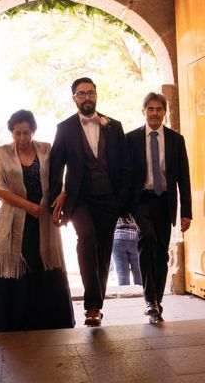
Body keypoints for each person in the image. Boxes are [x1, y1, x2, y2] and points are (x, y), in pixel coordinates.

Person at [0, 110, 74, 333]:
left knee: (43, 263)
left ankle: (48, 320)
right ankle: (12, 321)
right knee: (16, 266)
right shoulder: (2, 152)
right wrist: (28, 206)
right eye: (17, 133)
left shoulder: (46, 149)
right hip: (15, 220)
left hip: (43, 220)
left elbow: (61, 175)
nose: (22, 138)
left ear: (33, 131)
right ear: (11, 132)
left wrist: (63, 194)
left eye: (26, 133)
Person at [49, 77, 131, 327]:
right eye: (81, 93)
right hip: (80, 198)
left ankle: (97, 302)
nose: (87, 97)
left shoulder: (113, 126)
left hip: (109, 198)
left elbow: (125, 166)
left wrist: (123, 203)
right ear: (74, 98)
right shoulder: (64, 128)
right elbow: (55, 167)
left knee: (104, 250)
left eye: (91, 93)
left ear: (96, 95)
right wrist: (56, 200)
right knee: (86, 238)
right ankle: (92, 305)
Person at [126, 92, 192, 323]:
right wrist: (123, 209)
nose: (155, 113)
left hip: (165, 201)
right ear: (143, 111)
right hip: (141, 200)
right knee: (148, 239)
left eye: (159, 109)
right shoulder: (130, 139)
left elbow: (184, 178)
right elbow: (124, 176)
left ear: (165, 112)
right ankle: (148, 299)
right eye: (150, 109)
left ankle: (157, 301)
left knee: (161, 251)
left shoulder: (176, 139)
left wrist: (186, 212)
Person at [112, 216, 142, 286]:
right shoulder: (134, 205)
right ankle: (140, 294)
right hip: (135, 238)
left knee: (122, 272)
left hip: (118, 238)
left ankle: (125, 294)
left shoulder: (116, 205)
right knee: (138, 272)